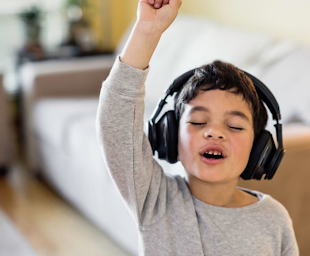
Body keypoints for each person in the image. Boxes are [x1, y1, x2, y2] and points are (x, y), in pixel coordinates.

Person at [96, 0, 299, 255]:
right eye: (198, 122)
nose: (214, 132)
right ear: (170, 137)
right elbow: (116, 123)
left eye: (235, 126)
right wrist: (147, 30)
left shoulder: (274, 219)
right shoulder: (156, 200)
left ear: (260, 149)